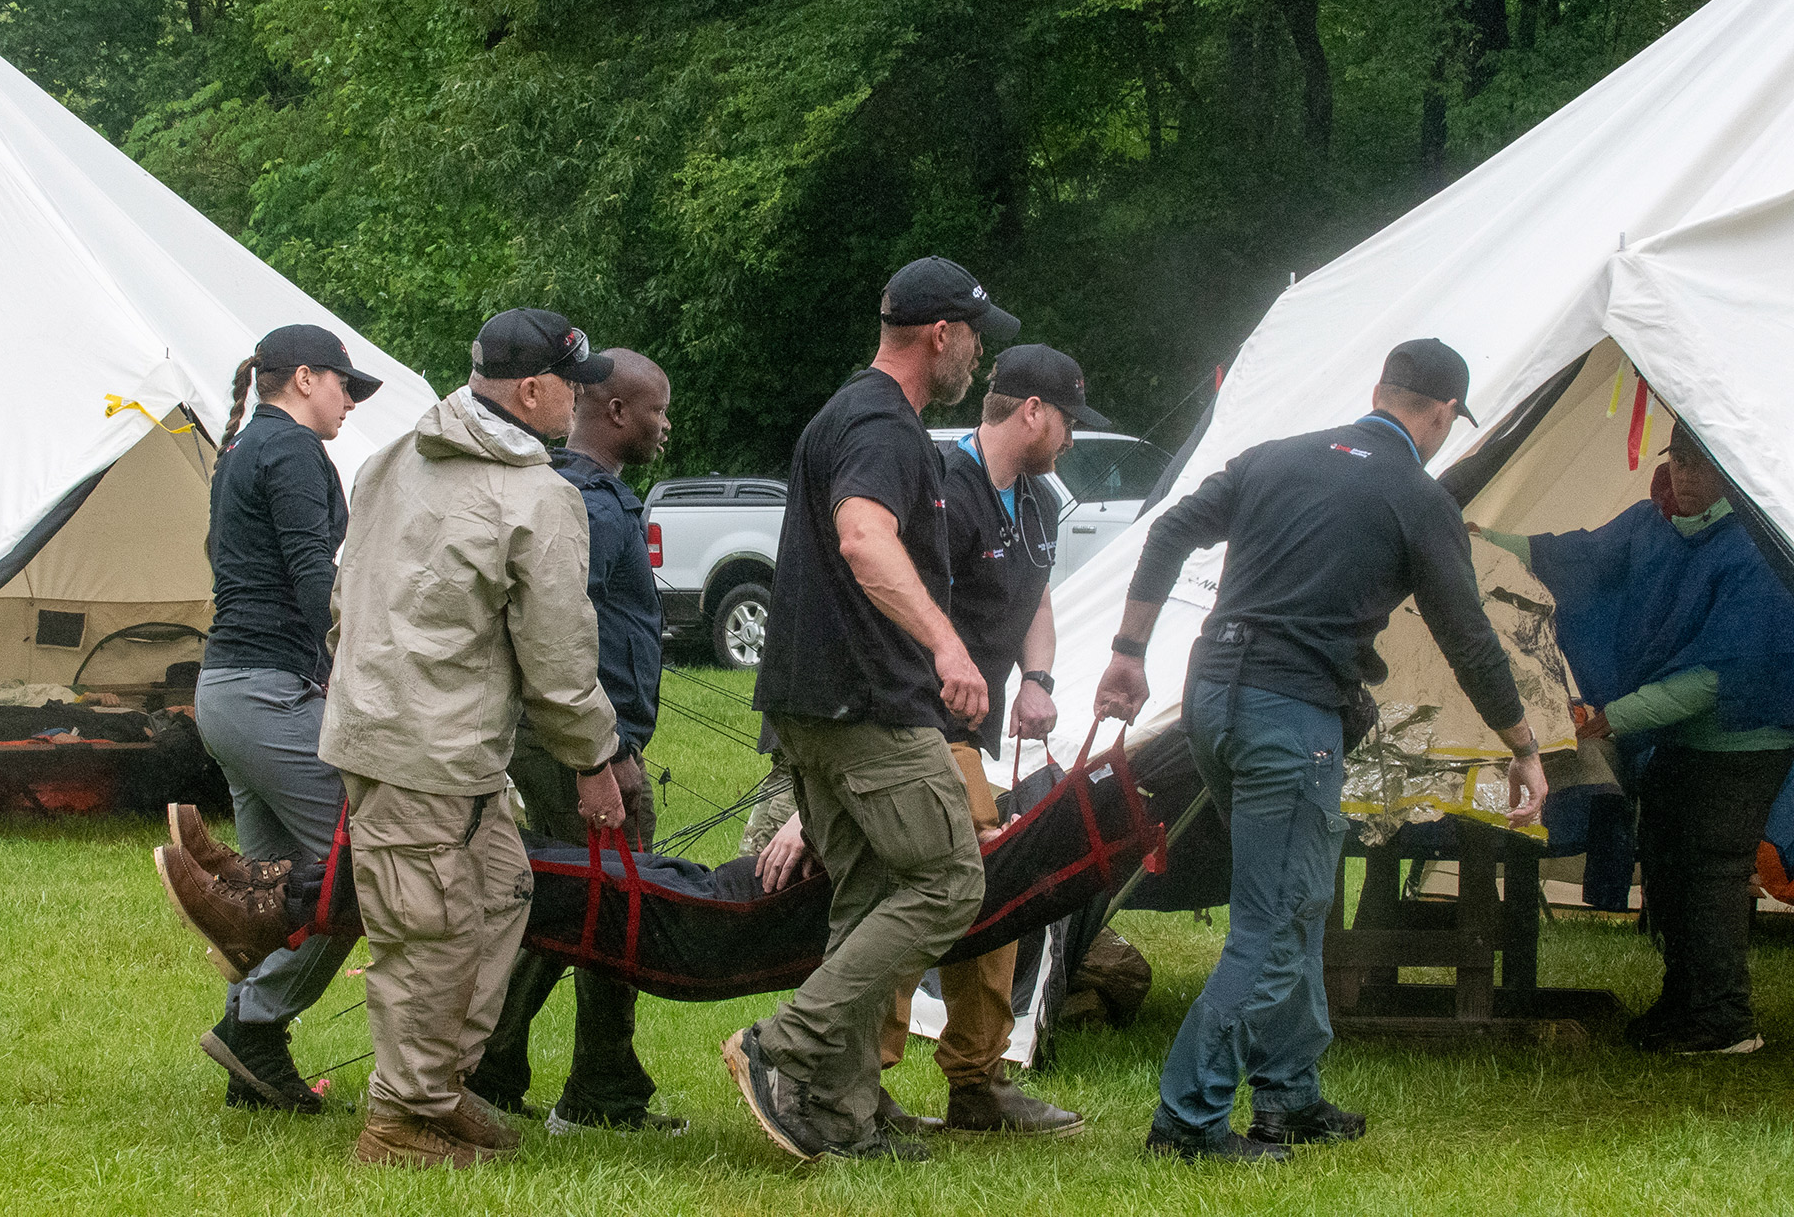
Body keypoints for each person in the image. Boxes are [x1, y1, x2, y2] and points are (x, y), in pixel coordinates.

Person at [1094, 338, 1548, 1163]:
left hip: (1210, 698)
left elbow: (1169, 530)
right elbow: (1469, 637)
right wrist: (1524, 744)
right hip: (1288, 715)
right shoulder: (1418, 496)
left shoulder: (1274, 458)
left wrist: (1129, 649)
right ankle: (1187, 1122)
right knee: (1272, 922)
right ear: (1443, 414)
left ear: (1378, 390)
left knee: (1294, 902)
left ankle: (1290, 1097)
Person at [318, 308, 642, 1170]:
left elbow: (344, 590)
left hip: (405, 736)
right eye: (573, 387)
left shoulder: (389, 459)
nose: (580, 402)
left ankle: (439, 1087)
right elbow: (561, 658)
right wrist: (597, 761)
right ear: (533, 390)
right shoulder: (540, 495)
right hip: (425, 748)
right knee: (426, 931)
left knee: (500, 889)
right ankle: (398, 1124)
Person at [755, 343, 1097, 1139]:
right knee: (946, 882)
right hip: (912, 721)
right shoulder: (940, 481)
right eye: (1069, 420)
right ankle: (850, 1070)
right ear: (1033, 412)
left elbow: (1035, 598)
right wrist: (836, 780)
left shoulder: (1042, 503)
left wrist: (1038, 679)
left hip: (970, 732)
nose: (1073, 438)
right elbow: (870, 586)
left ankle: (963, 1080)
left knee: (994, 889)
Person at [723, 256, 1018, 1164]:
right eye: (975, 335)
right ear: (942, 335)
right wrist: (948, 644)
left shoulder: (848, 413)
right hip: (868, 704)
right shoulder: (884, 426)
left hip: (809, 705)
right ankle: (787, 1045)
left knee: (872, 892)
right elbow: (861, 535)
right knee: (948, 878)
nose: (978, 353)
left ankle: (844, 1108)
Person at [1478, 423, 1794, 1055]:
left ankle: (1725, 1023)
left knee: (1709, 871)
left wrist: (1614, 715)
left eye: (1700, 463)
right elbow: (1573, 557)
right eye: (1676, 458)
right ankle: (1687, 1006)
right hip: (1677, 740)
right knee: (1671, 868)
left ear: (1733, 470)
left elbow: (1721, 673)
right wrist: (1478, 542)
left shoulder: (1757, 548)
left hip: (1742, 740)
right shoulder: (1651, 524)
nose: (1682, 472)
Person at [153, 322, 382, 1114]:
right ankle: (252, 1024)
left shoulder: (247, 448)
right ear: (307, 378)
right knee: (356, 877)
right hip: (268, 692)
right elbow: (318, 576)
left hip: (229, 691)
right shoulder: (289, 451)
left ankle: (250, 1067)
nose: (350, 402)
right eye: (345, 385)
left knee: (272, 900)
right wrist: (379, 659)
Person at [472, 349, 685, 1134]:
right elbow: (567, 642)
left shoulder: (603, 497)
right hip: (580, 740)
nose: (666, 425)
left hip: (590, 734)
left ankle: (580, 1077)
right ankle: (560, 1082)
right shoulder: (584, 504)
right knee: (594, 900)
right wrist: (608, 750)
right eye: (657, 409)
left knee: (585, 898)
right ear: (618, 411)